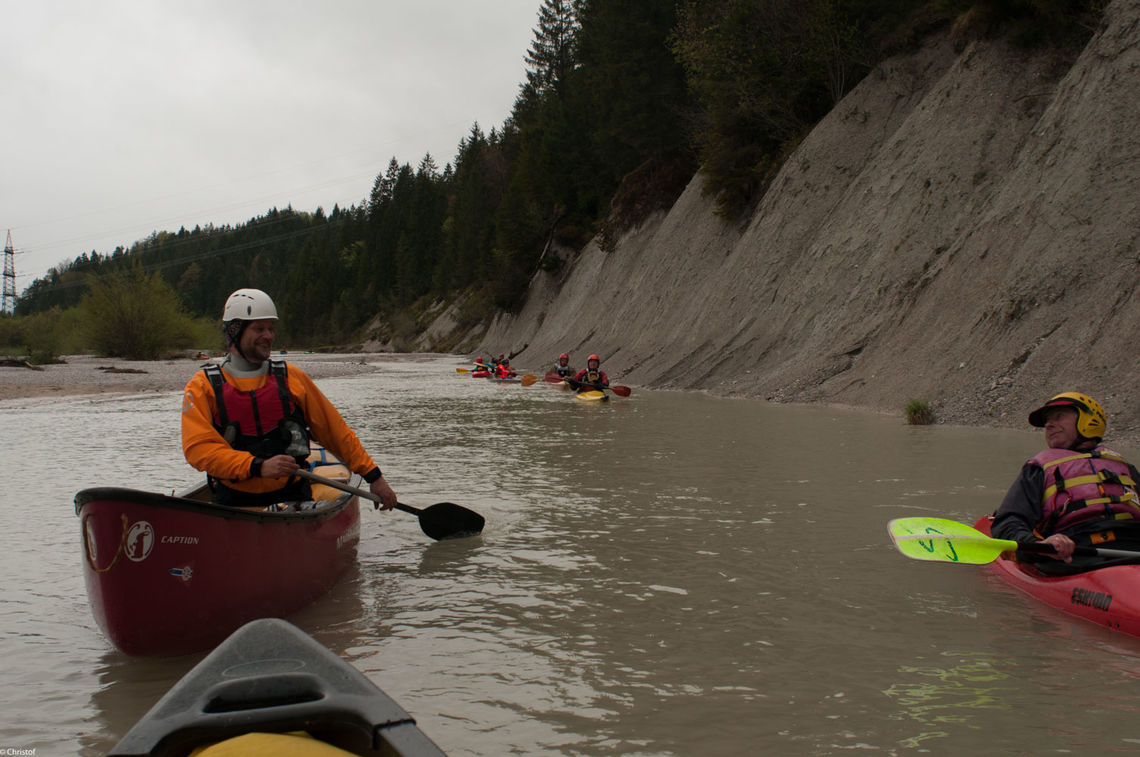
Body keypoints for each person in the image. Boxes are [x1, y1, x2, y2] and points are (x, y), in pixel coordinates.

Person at [181, 288, 398, 510]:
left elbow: (335, 431)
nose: (268, 336)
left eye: (270, 329)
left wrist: (374, 476)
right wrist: (257, 466)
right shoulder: (202, 386)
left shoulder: (291, 377)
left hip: (293, 495)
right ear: (235, 332)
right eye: (259, 329)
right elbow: (199, 449)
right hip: (233, 500)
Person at [991, 392, 1140, 573]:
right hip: (1076, 555)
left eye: (1059, 416)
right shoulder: (1039, 469)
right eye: (1047, 421)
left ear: (1088, 419)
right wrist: (1041, 544)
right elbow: (1008, 523)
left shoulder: (1125, 468)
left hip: (1134, 547)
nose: (1048, 424)